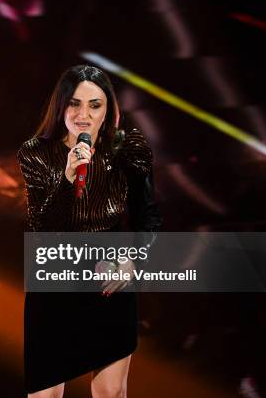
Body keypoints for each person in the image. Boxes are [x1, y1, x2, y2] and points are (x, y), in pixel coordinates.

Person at [18, 65, 162, 398]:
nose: (84, 114)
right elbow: (41, 225)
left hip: (107, 276)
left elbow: (148, 217)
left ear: (108, 109)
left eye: (94, 105)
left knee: (110, 392)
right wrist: (66, 179)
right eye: (75, 104)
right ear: (61, 106)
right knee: (45, 394)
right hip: (54, 278)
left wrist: (135, 261)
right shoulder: (36, 153)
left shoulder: (129, 149)